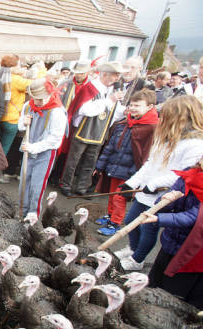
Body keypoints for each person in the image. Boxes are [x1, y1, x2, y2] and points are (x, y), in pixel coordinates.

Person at [116, 95, 203, 271]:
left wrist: (155, 184)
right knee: (131, 220)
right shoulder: (165, 137)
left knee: (148, 227)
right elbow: (150, 165)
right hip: (145, 191)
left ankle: (137, 259)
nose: (162, 119)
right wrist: (132, 183)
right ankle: (132, 248)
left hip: (164, 196)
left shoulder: (195, 144)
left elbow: (183, 174)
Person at [93, 89, 159, 236]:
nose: (133, 108)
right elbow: (110, 145)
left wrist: (136, 175)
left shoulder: (151, 128)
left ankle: (116, 223)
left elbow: (146, 155)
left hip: (130, 171)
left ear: (149, 107)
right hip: (115, 166)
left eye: (138, 105)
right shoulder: (124, 123)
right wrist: (101, 165)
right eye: (131, 105)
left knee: (120, 197)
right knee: (112, 195)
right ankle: (110, 215)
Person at [144, 158, 203, 309]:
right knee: (153, 284)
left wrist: (159, 218)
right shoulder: (188, 175)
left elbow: (193, 217)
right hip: (171, 242)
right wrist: (165, 200)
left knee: (173, 297)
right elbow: (168, 199)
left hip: (192, 253)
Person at [60, 62, 125, 197]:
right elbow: (85, 110)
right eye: (115, 75)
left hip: (100, 133)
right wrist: (109, 101)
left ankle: (82, 187)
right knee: (73, 161)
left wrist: (125, 111)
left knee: (90, 162)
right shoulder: (91, 88)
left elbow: (115, 112)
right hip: (84, 130)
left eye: (118, 75)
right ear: (105, 74)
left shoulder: (112, 91)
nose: (117, 78)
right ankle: (66, 185)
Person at [16, 79, 67, 217]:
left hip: (44, 154)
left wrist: (34, 147)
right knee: (23, 184)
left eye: (39, 99)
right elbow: (20, 125)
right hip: (28, 150)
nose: (36, 102)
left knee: (36, 187)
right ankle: (22, 212)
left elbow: (55, 139)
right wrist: (23, 123)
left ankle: (32, 216)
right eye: (34, 98)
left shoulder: (57, 112)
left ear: (49, 95)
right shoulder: (28, 106)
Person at [0, 54, 31, 177]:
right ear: (13, 66)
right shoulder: (16, 79)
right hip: (11, 120)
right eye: (19, 64)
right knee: (3, 150)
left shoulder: (0, 75)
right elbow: (36, 84)